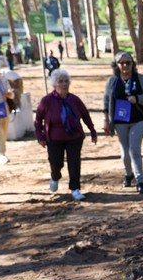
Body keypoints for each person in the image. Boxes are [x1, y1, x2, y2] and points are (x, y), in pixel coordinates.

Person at [35, 68, 98, 201]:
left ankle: (75, 188)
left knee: (74, 163)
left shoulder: (75, 100)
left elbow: (85, 115)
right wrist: (40, 136)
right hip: (54, 138)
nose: (64, 84)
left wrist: (92, 131)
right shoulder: (47, 100)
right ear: (54, 84)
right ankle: (55, 176)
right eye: (60, 82)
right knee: (56, 163)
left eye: (66, 81)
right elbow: (38, 120)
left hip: (74, 137)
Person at [103, 51, 143, 194]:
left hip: (138, 120)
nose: (125, 66)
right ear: (116, 65)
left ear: (132, 64)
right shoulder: (112, 81)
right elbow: (106, 101)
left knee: (134, 150)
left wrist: (138, 99)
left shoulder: (140, 79)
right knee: (125, 153)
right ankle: (128, 174)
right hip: (120, 121)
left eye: (128, 62)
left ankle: (140, 181)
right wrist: (106, 120)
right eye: (121, 63)